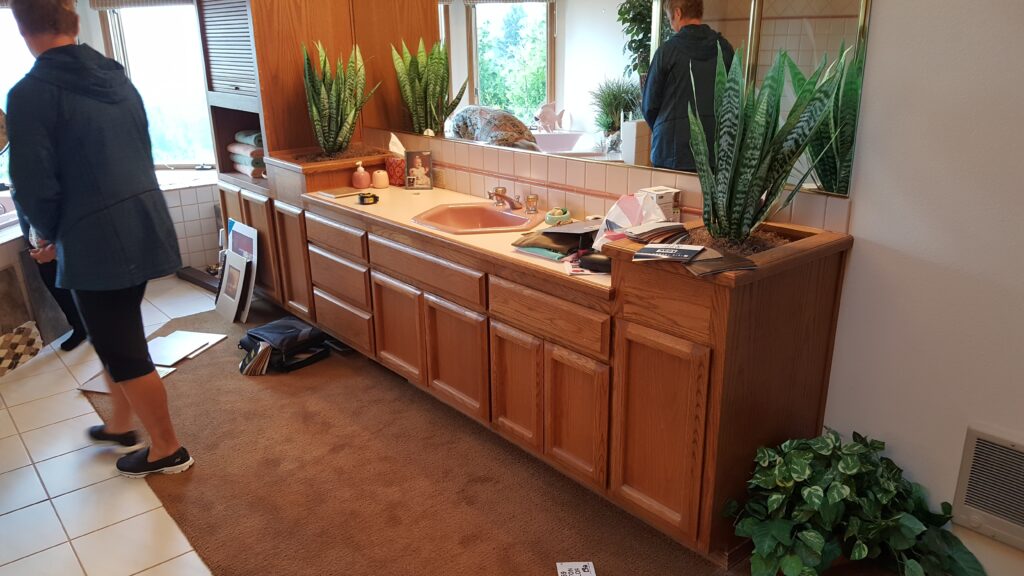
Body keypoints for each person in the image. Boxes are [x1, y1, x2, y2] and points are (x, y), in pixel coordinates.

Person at [8, 0, 193, 477]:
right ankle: (119, 424)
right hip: (144, 220)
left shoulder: (30, 92)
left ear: (21, 27)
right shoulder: (114, 74)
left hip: (95, 239)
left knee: (123, 347)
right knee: (119, 333)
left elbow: (31, 180)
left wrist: (44, 234)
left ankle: (168, 449)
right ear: (72, 21)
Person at [642, 0, 735, 172]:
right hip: (714, 154)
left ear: (678, 13)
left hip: (669, 153)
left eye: (670, 18)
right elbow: (733, 103)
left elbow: (649, 105)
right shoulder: (725, 50)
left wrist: (666, 127)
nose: (671, 24)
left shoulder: (667, 52)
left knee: (668, 200)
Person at [17, 214, 88, 351]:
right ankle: (79, 327)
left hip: (59, 235)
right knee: (56, 287)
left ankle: (95, 323)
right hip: (37, 239)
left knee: (81, 282)